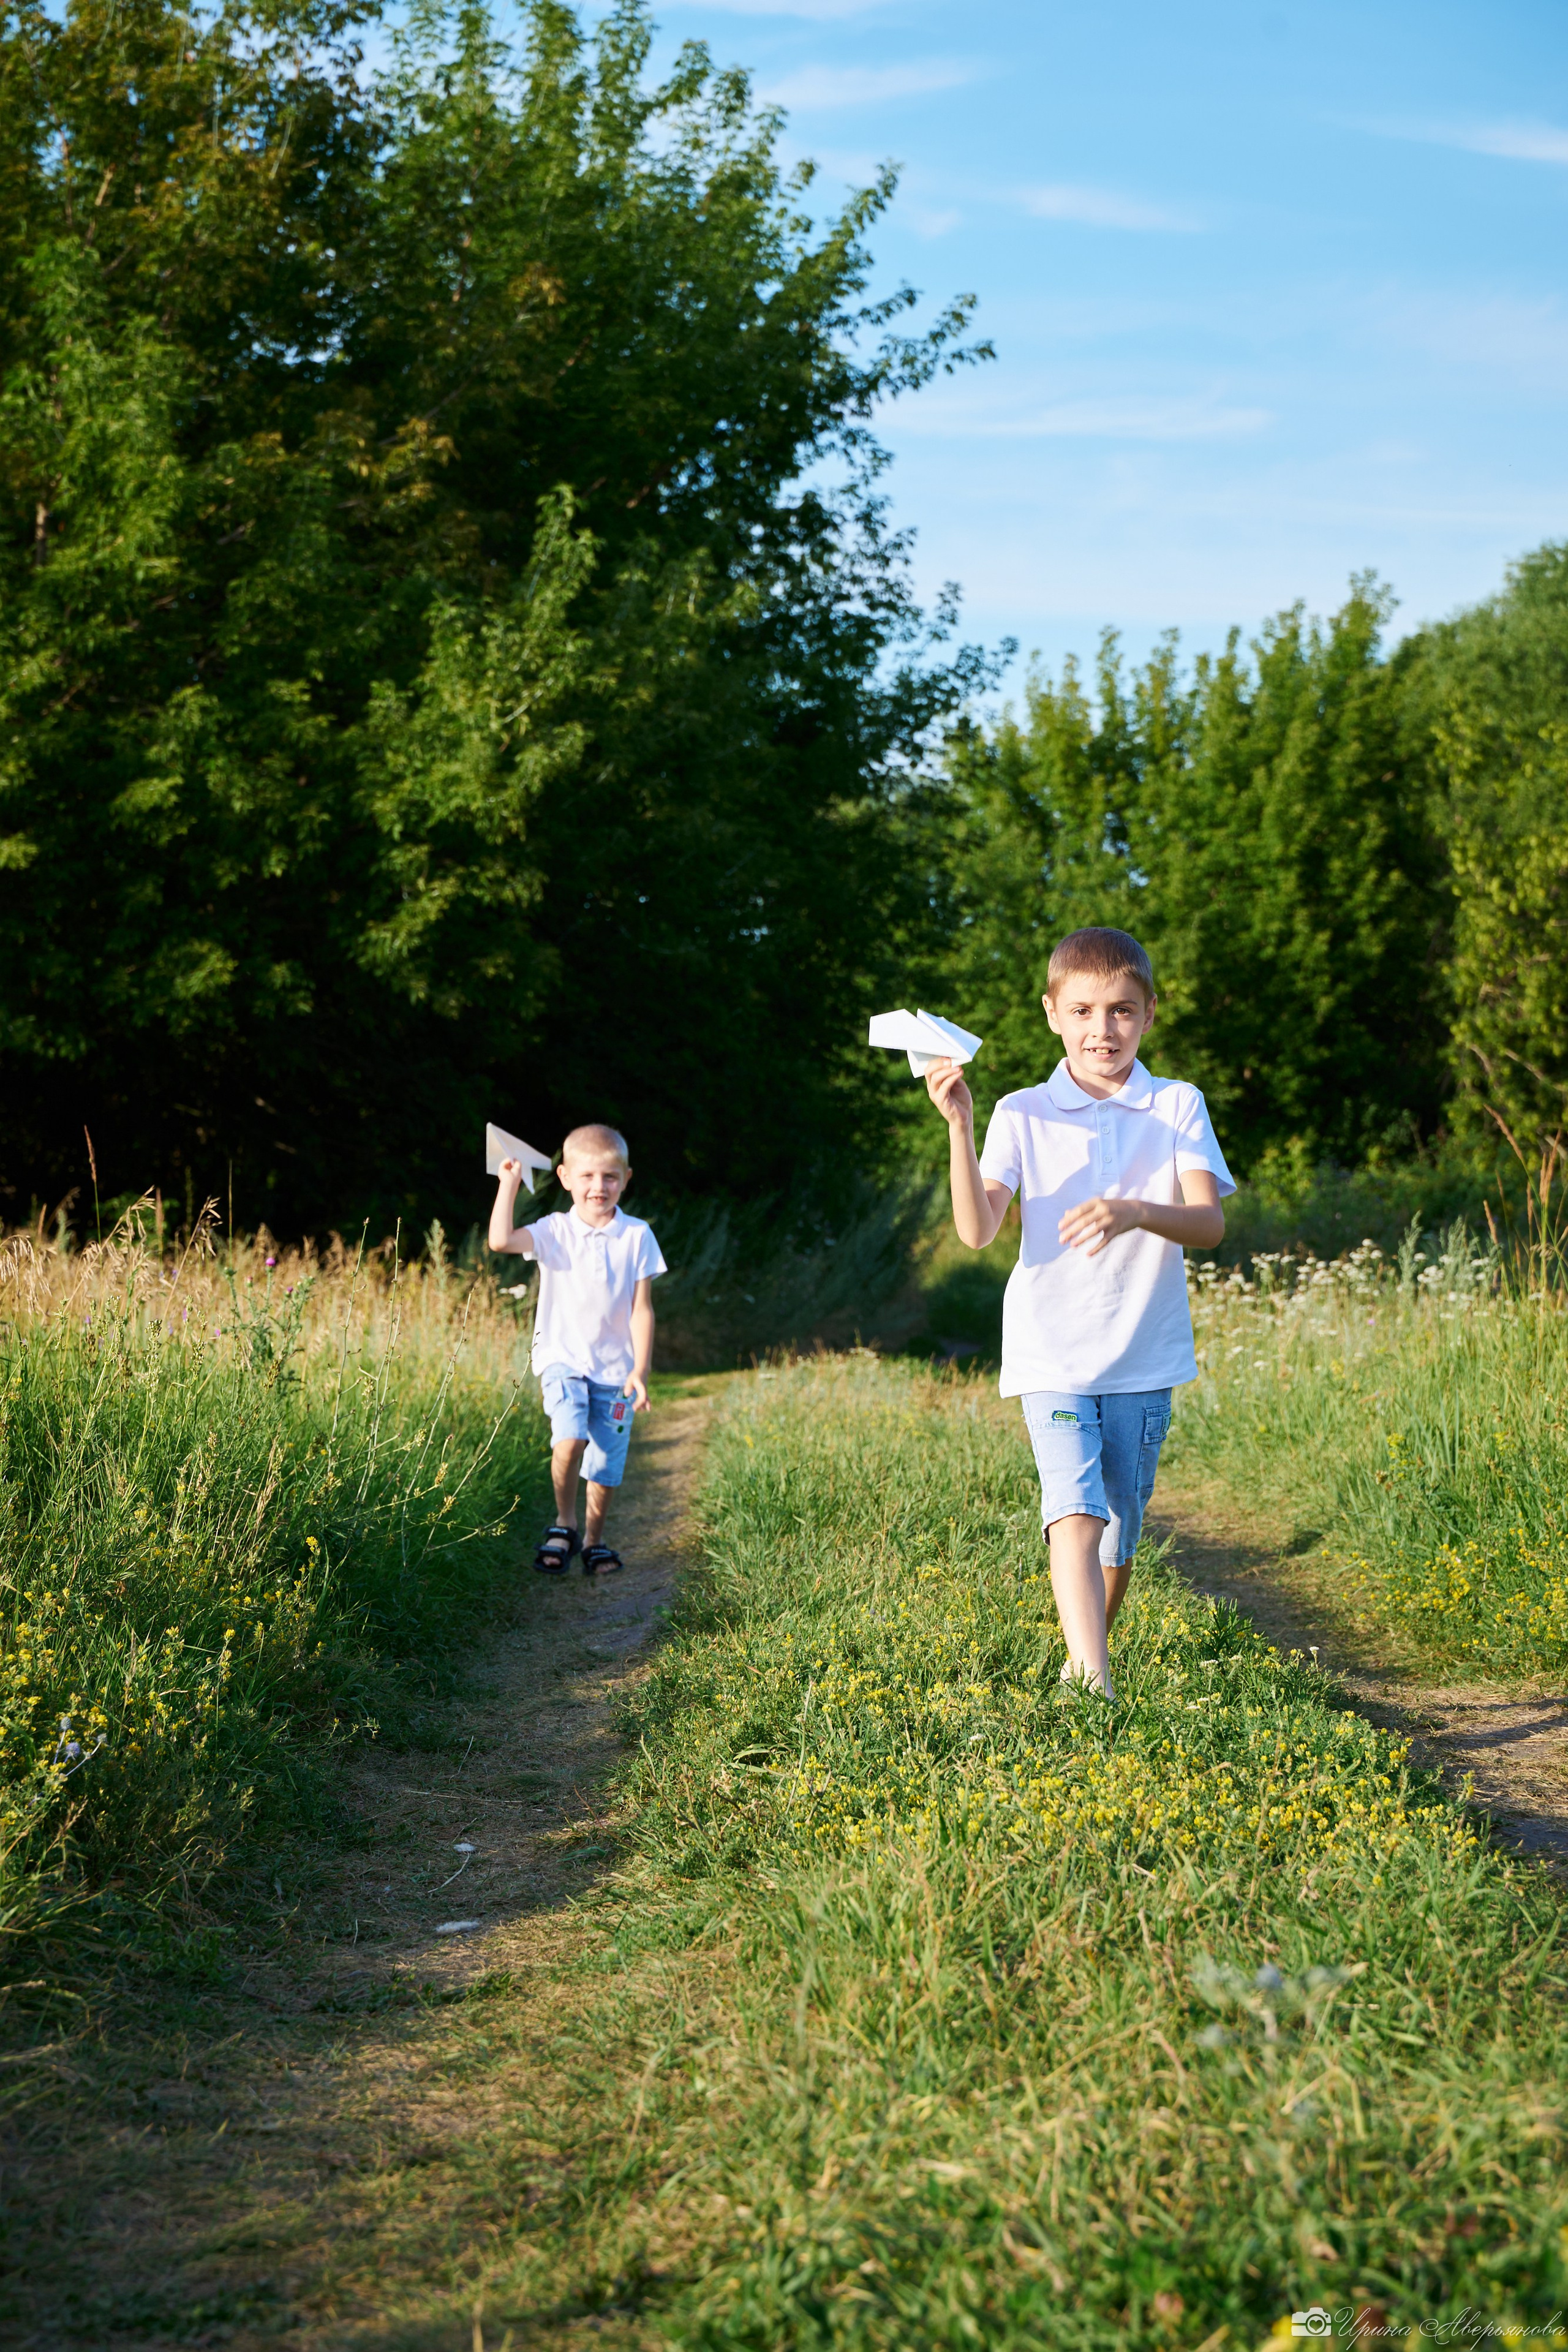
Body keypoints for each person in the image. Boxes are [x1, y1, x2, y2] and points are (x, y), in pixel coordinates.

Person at [924, 927, 1234, 1697]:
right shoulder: (1020, 1112)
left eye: (1122, 1010)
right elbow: (976, 1229)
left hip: (1143, 1352)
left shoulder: (1176, 1105)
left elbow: (1209, 1225)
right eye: (1086, 1010)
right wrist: (959, 1127)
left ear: (1149, 1014)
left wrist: (1134, 1210)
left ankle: (1079, 1654)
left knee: (1120, 1521)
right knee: (1075, 1510)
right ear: (1052, 1014)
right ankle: (1094, 1684)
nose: (1104, 1029)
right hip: (1050, 1351)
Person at [489, 1122, 666, 1576]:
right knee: (570, 1439)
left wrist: (640, 1371)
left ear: (627, 1178)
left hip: (616, 1371)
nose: (598, 1187)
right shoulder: (554, 1231)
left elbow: (641, 1310)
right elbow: (500, 1241)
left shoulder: (637, 1235)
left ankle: (594, 1540)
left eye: (610, 1177)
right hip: (561, 1358)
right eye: (586, 1176)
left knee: (605, 1465)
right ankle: (564, 1522)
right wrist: (509, 1184)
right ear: (565, 1177)